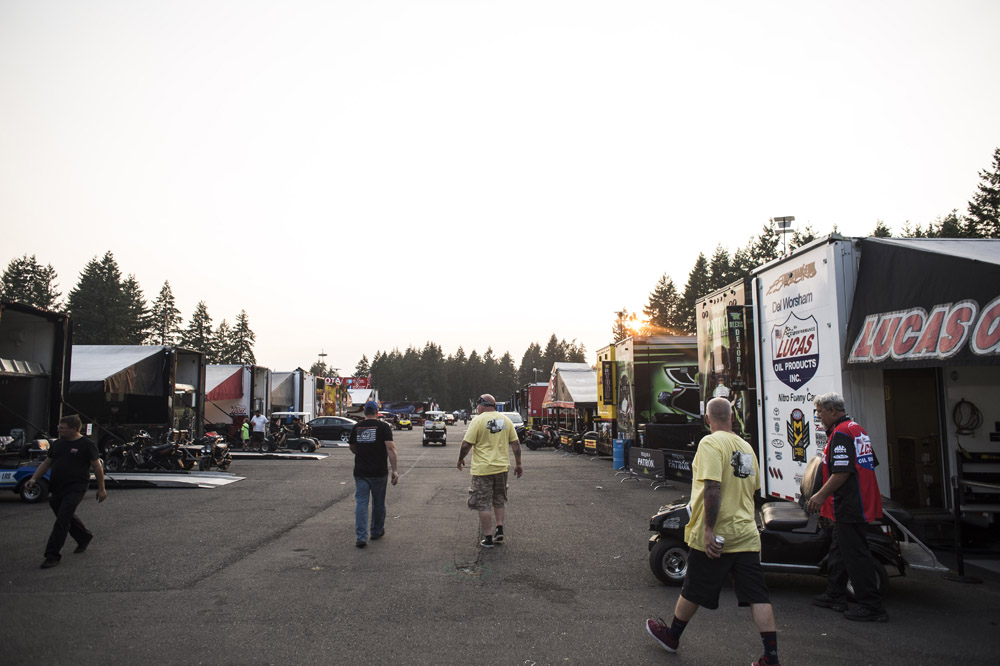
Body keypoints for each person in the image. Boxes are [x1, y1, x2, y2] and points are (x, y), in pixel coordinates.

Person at [645, 398, 780, 666]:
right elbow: (753, 490)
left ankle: (672, 636)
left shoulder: (710, 443)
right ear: (733, 417)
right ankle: (771, 657)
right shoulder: (746, 447)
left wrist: (708, 529)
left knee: (692, 588)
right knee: (758, 596)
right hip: (746, 533)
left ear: (707, 419)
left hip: (718, 534)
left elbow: (713, 487)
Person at [806, 392, 888, 622]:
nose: (818, 416)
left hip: (852, 505)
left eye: (820, 412)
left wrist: (821, 495)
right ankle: (835, 594)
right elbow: (870, 462)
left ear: (832, 410)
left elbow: (843, 471)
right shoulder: (856, 428)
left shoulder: (841, 433)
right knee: (839, 549)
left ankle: (872, 607)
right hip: (856, 501)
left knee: (855, 555)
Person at [25, 415, 108, 569]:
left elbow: (97, 467)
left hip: (76, 487)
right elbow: (47, 463)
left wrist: (101, 489)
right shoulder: (58, 444)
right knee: (64, 515)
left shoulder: (87, 445)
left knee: (62, 520)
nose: (59, 430)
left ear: (73, 428)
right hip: (57, 487)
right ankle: (84, 536)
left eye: (62, 428)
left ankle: (52, 555)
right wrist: (34, 478)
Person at [456, 394, 523, 548]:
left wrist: (460, 459)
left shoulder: (478, 420)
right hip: (501, 468)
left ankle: (488, 537)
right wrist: (518, 464)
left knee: (483, 503)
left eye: (478, 406)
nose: (477, 409)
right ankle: (499, 530)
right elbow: (516, 444)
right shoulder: (505, 420)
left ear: (482, 405)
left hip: (483, 469)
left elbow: (466, 444)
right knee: (499, 499)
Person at [348, 400, 398, 548]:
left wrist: (362, 454)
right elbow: (390, 449)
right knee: (378, 503)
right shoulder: (383, 427)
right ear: (377, 412)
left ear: (364, 412)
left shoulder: (356, 427)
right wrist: (395, 470)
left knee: (361, 503)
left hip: (361, 472)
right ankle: (376, 531)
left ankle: (361, 537)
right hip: (378, 471)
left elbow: (352, 447)